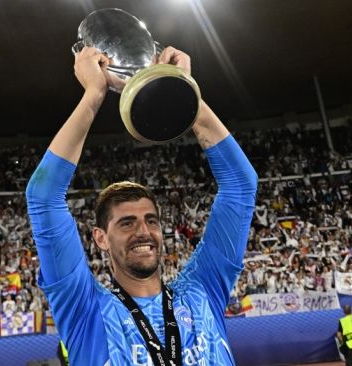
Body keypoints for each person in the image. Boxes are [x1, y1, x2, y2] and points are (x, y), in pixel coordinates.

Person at [26, 45, 257, 365]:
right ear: (100, 238)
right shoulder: (85, 310)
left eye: (151, 220)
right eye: (126, 222)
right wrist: (94, 94)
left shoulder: (203, 289)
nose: (143, 231)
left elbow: (241, 187)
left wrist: (182, 91)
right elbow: (44, 198)